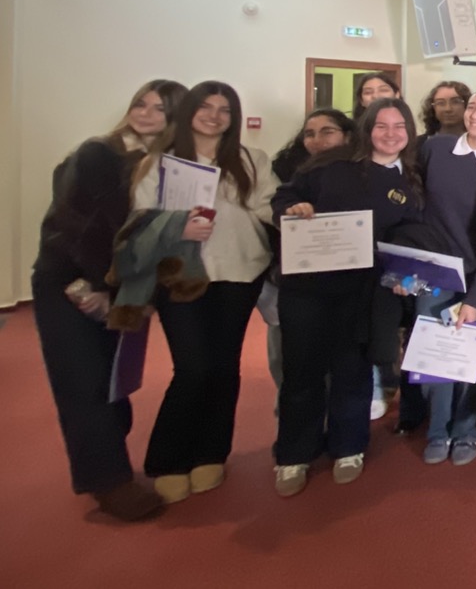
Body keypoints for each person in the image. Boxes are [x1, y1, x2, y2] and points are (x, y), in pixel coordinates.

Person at [33, 79, 186, 521]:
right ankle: (109, 482)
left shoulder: (168, 167)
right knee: (82, 382)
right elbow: (83, 228)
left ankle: (106, 465)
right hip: (72, 282)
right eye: (141, 104)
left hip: (123, 287)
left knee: (112, 383)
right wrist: (101, 289)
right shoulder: (98, 153)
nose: (145, 113)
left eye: (160, 108)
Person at [269, 98, 424, 496]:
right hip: (308, 288)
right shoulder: (330, 165)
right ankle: (294, 454)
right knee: (301, 372)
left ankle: (349, 446)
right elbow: (284, 198)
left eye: (399, 127)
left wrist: (404, 275)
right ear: (367, 129)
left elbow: (407, 239)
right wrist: (294, 208)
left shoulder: (409, 183)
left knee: (352, 370)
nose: (390, 134)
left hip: (364, 292)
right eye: (381, 126)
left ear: (409, 133)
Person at [130, 81, 276, 504]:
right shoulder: (159, 163)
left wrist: (299, 213)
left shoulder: (251, 159)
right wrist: (178, 227)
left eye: (224, 110)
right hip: (181, 275)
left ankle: (211, 453)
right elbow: (140, 220)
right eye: (206, 107)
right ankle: (168, 460)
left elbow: (269, 205)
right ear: (189, 111)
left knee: (225, 366)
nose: (214, 116)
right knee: (192, 367)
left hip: (239, 272)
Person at [412, 89, 476, 466]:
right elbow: (417, 207)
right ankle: (438, 430)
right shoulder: (435, 148)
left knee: (473, 358)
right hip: (434, 272)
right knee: (435, 357)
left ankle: (467, 429)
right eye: (472, 106)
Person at [263, 108, 356, 395]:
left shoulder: (363, 167)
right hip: (303, 278)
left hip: (351, 279)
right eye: (309, 134)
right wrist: (291, 210)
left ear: (347, 136)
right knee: (298, 362)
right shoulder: (294, 169)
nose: (317, 140)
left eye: (327, 132)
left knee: (345, 362)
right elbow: (279, 202)